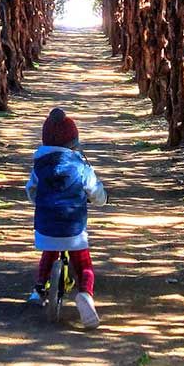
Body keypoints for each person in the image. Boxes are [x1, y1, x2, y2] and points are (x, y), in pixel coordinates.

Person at [25, 107, 107, 328]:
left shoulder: (39, 166)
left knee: (49, 252)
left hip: (45, 228)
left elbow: (30, 190)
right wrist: (102, 199)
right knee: (84, 264)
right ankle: (86, 294)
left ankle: (39, 289)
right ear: (74, 140)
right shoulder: (81, 166)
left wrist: (40, 203)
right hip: (74, 230)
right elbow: (95, 192)